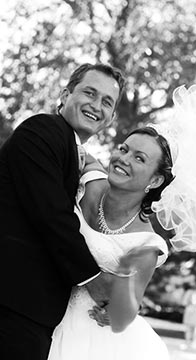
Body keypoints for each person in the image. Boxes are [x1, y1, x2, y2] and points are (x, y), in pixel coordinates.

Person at [48, 84, 196, 360]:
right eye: (124, 149)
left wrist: (116, 309)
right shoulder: (90, 179)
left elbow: (124, 309)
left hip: (92, 342)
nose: (122, 160)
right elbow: (78, 147)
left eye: (138, 158)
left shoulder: (146, 245)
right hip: (42, 309)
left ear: (155, 180)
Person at [0, 62, 125, 360]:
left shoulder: (75, 153)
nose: (96, 105)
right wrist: (94, 280)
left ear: (111, 117)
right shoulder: (41, 131)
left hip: (35, 314)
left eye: (107, 102)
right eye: (89, 93)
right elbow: (52, 216)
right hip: (11, 303)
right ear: (65, 94)